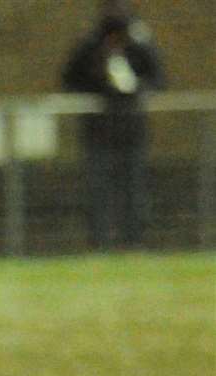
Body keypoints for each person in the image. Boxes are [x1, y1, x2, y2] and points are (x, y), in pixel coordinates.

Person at [61, 0, 164, 249]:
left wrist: (138, 90)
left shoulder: (139, 44)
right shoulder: (90, 45)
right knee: (98, 188)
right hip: (99, 130)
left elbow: (158, 78)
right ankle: (100, 242)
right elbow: (69, 79)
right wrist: (97, 87)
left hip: (131, 128)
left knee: (134, 186)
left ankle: (134, 241)